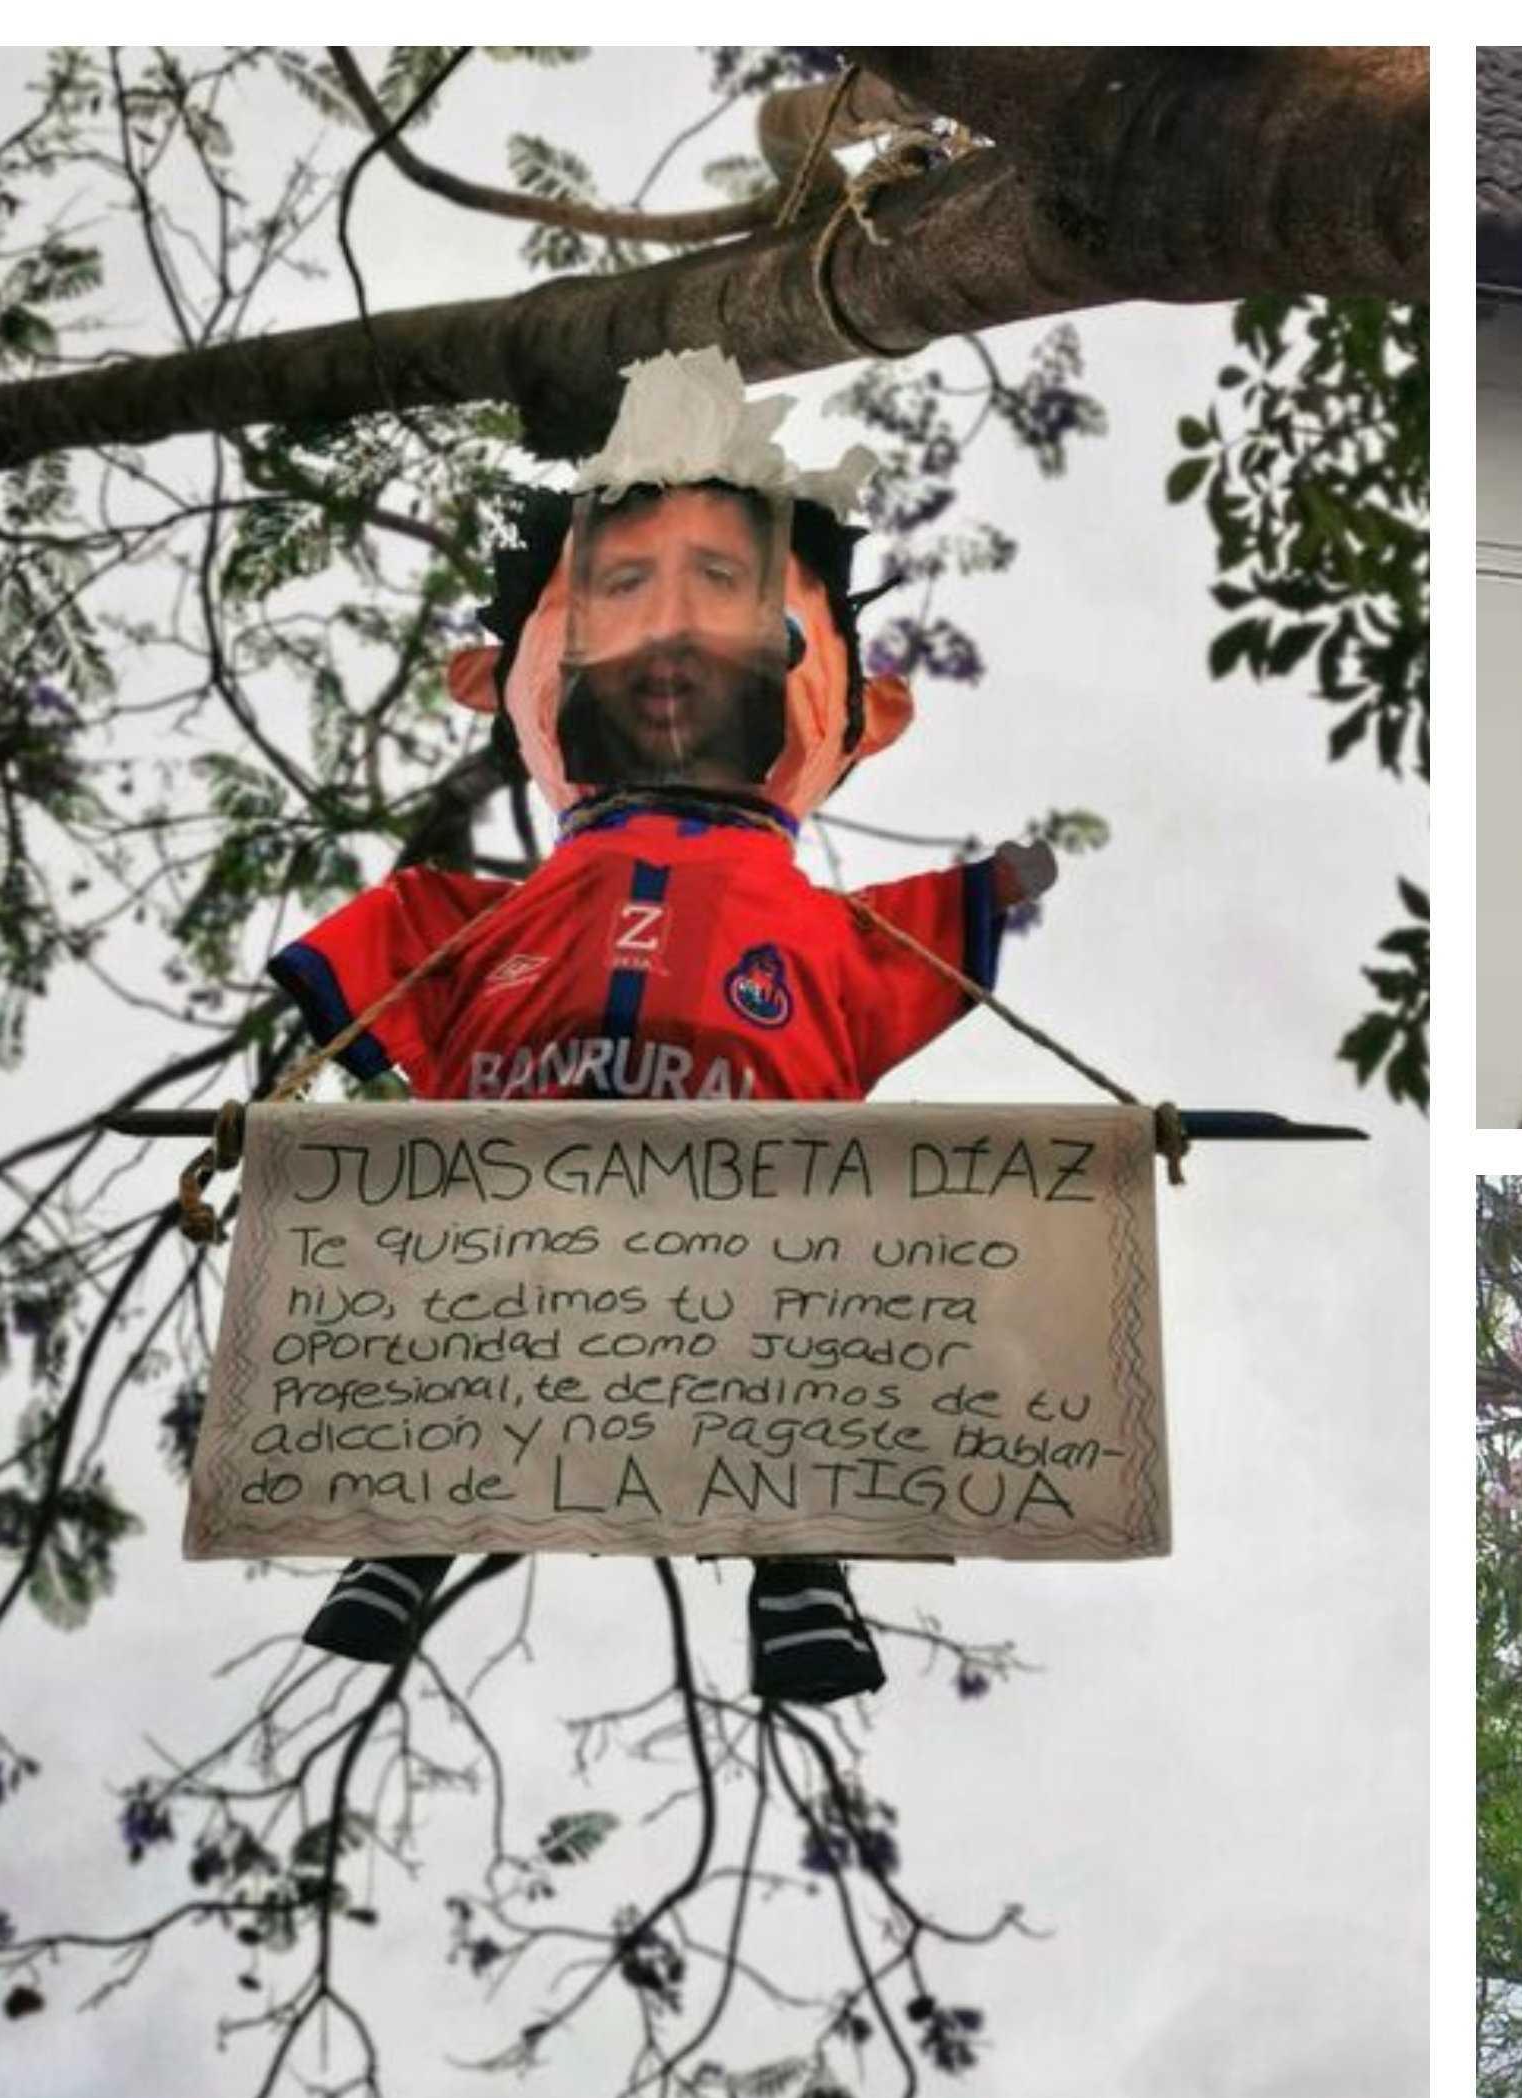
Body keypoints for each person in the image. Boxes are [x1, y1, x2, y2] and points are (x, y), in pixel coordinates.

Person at [265, 350, 1058, 1702]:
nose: (677, 640)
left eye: (743, 604)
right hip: (514, 1182)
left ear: (861, 712)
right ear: (498, 678)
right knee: (467, 1332)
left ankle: (799, 1563)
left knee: (794, 1341)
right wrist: (278, 1116)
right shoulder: (466, 915)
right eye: (618, 594)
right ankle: (409, 1533)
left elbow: (922, 936)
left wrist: (1007, 883)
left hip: (747, 1196)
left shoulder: (823, 929)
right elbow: (381, 956)